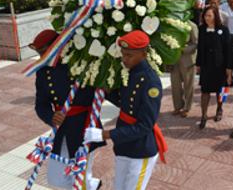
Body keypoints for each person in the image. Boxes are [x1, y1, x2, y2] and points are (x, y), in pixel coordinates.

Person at [84, 30, 166, 190]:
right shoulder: (131, 72)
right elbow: (127, 103)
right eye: (123, 54)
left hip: (140, 148)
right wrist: (107, 91)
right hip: (124, 145)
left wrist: (105, 134)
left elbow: (144, 126)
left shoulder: (151, 83)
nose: (124, 59)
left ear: (143, 54)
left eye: (129, 55)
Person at [32, 29, 103, 190]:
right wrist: (51, 116)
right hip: (61, 129)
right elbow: (41, 104)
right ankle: (93, 185)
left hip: (83, 127)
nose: (41, 56)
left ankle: (89, 184)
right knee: (55, 178)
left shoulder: (80, 63)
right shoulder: (43, 72)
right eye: (38, 52)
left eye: (43, 51)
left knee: (79, 180)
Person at [195, 6, 230, 129]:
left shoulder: (223, 30)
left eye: (209, 15)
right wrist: (198, 64)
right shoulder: (202, 29)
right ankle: (203, 115)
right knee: (205, 91)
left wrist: (228, 67)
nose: (207, 18)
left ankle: (219, 109)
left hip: (220, 66)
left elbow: (227, 50)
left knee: (220, 90)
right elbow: (199, 48)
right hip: (206, 65)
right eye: (205, 16)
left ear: (215, 15)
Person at [170, 21, 198, 118]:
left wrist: (183, 49)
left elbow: (196, 44)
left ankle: (187, 107)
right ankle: (177, 107)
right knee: (175, 85)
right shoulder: (171, 23)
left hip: (187, 59)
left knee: (188, 85)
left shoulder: (191, 25)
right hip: (173, 59)